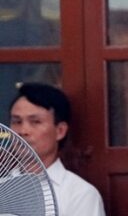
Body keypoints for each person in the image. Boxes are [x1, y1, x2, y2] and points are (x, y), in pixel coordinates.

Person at [9, 82, 107, 216]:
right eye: (17, 122)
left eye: (35, 122)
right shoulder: (4, 185)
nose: (23, 131)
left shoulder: (80, 194)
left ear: (60, 131)